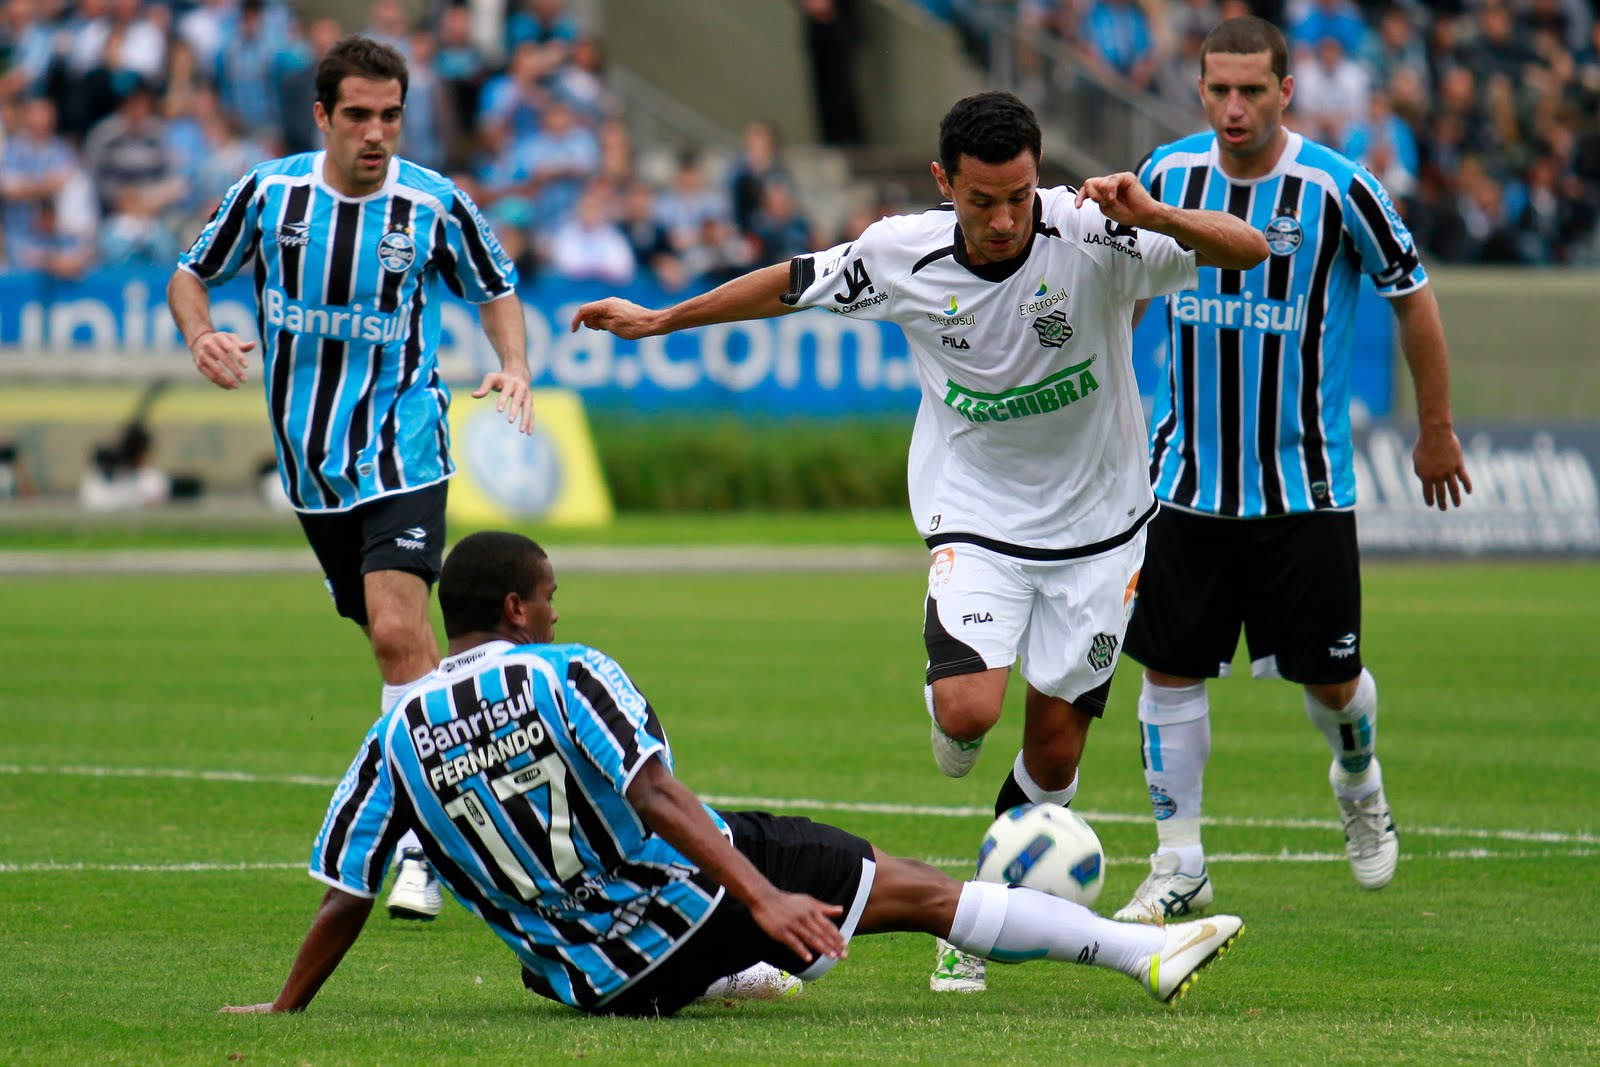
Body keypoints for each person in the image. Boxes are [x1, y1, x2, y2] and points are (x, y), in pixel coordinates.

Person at [570, 90, 1268, 994]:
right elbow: (789, 282)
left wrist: (1159, 215)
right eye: (982, 200)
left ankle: (977, 914)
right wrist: (663, 319)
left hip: (1101, 531)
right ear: (945, 183)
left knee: (1055, 756)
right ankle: (950, 710)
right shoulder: (900, 252)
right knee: (968, 713)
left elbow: (1249, 250)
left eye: (1018, 195)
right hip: (976, 513)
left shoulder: (1097, 230)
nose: (1005, 219)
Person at [221, 532, 1246, 1017]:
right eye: (551, 593)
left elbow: (347, 890)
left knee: (694, 893)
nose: (560, 609)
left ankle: (748, 964)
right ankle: (1138, 953)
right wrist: (762, 895)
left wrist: (285, 1007)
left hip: (593, 985)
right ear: (520, 609)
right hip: (694, 911)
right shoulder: (566, 670)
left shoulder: (393, 734)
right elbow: (655, 792)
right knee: (920, 890)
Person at [166, 34, 535, 923]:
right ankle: (489, 759)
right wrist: (200, 333)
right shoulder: (270, 193)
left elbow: (495, 285)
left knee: (396, 633)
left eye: (391, 116)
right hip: (311, 465)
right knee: (404, 649)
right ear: (323, 116)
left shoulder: (434, 203)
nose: (376, 132)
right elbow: (189, 274)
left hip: (405, 440)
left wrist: (515, 364)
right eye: (359, 116)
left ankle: (418, 847)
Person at [1113, 16, 1473, 926]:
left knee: (1332, 684)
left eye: (1251, 90)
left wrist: (1435, 428)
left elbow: (1413, 297)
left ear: (1286, 92)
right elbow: (1119, 292)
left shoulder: (1339, 188)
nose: (1234, 107)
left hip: (1303, 487)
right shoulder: (1166, 175)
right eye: (1219, 89)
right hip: (1183, 480)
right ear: (1200, 89)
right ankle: (1179, 860)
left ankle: (1358, 777)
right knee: (1168, 672)